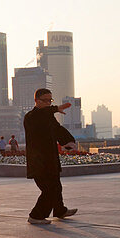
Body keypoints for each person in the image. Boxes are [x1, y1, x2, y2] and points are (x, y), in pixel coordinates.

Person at [23, 89, 77, 224]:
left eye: (50, 100)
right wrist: (55, 108)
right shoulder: (31, 117)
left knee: (56, 187)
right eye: (45, 100)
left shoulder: (48, 117)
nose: (48, 103)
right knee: (49, 189)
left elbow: (58, 129)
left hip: (50, 158)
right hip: (38, 161)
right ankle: (36, 216)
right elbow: (41, 116)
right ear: (36, 101)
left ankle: (60, 210)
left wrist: (69, 141)